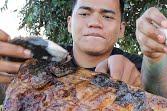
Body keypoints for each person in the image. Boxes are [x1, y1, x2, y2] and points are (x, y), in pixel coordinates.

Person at [0, 0, 142, 87]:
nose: (94, 23)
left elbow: (161, 93)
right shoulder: (34, 61)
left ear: (121, 29)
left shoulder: (139, 68)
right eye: (84, 14)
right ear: (69, 23)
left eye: (107, 16)